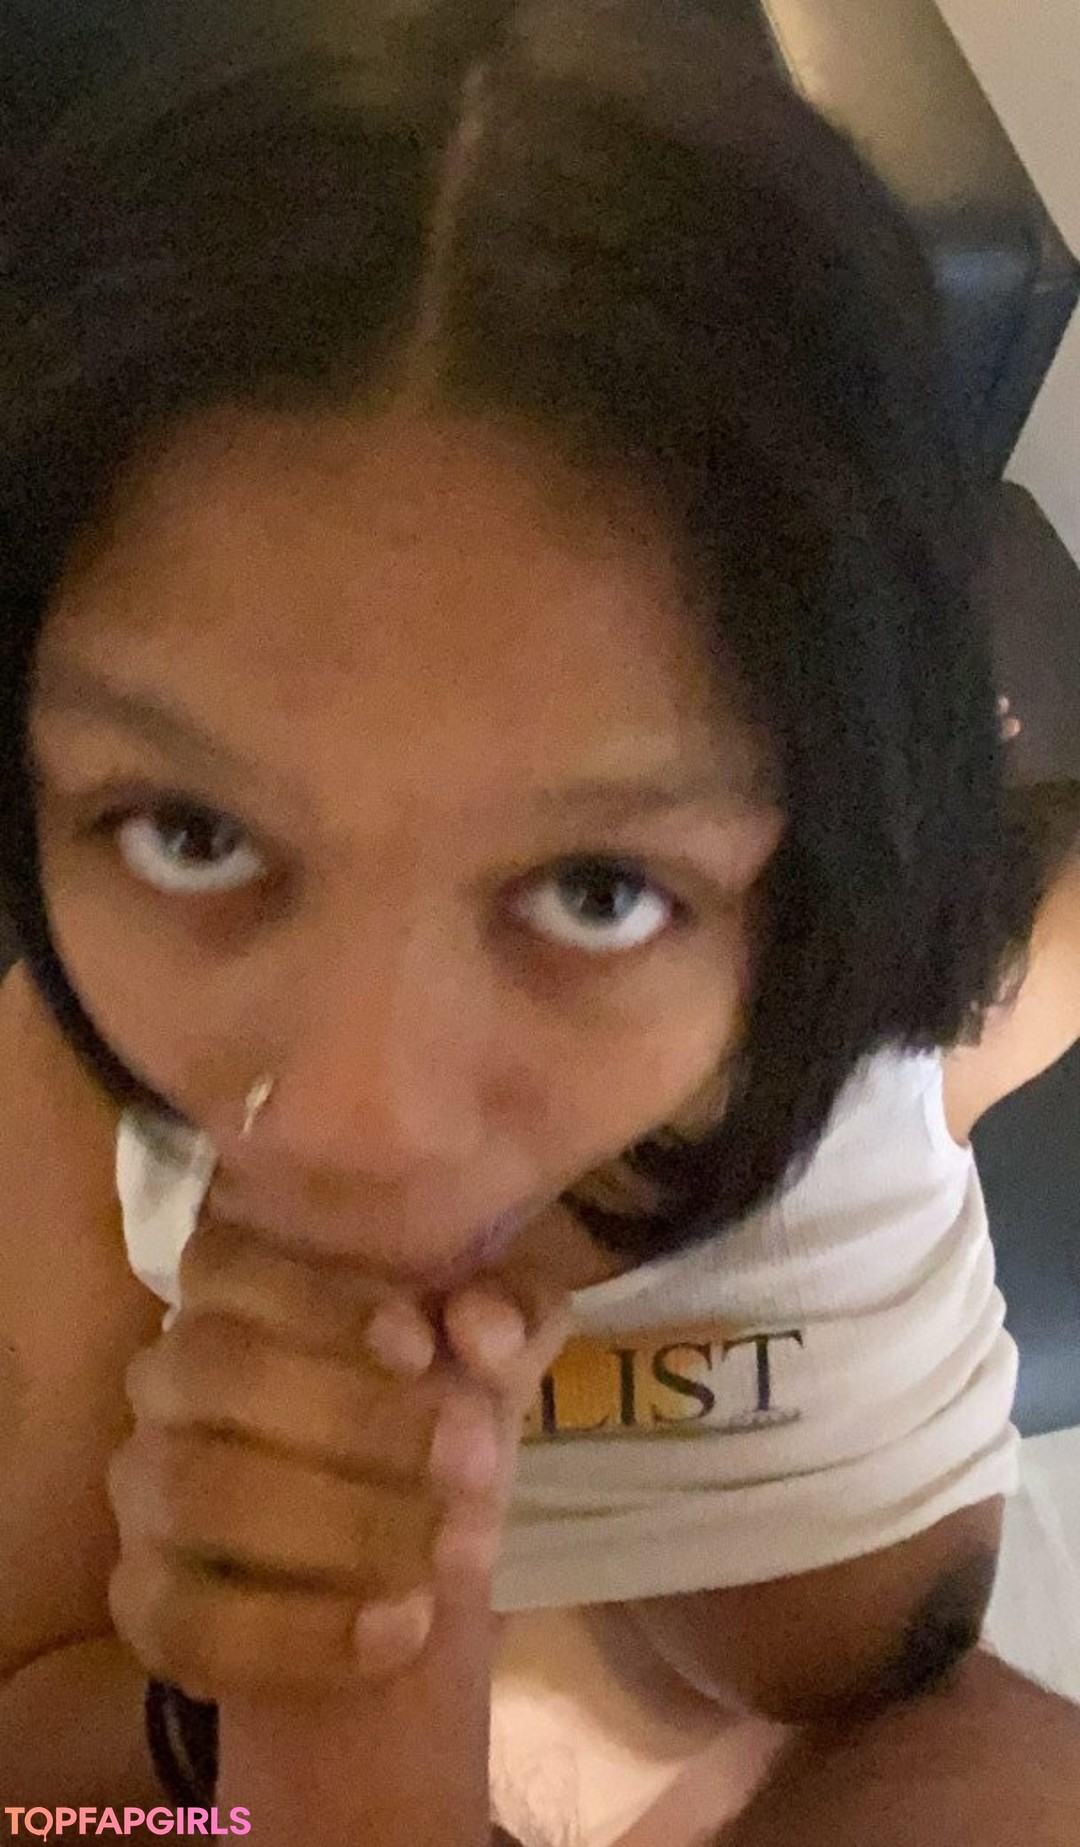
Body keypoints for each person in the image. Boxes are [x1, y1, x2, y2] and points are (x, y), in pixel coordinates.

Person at [0, 2, 1079, 1841]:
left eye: (597, 890)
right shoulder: (77, 1094)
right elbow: (33, 1792)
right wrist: (243, 1727)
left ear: (832, 846)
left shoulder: (906, 1014)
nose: (363, 1122)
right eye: (192, 834)